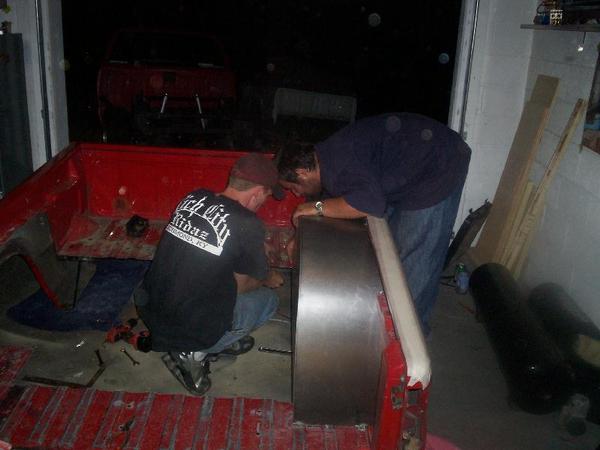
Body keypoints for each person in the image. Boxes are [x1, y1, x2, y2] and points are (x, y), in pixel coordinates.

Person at [277, 113, 471, 335]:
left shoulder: (339, 163)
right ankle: (391, 317)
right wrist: (298, 237)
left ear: (302, 172)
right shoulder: (326, 160)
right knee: (391, 251)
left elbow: (370, 205)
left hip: (438, 166)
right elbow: (331, 203)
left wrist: (317, 206)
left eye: (293, 187)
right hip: (411, 169)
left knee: (415, 259)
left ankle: (409, 337)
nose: (296, 194)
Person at [135, 153, 285, 395]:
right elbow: (241, 287)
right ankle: (194, 352)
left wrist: (254, 249)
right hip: (187, 328)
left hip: (151, 307)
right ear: (257, 192)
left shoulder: (194, 197)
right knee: (268, 301)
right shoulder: (248, 223)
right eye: (266, 197)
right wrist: (267, 278)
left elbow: (213, 242)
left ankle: (212, 340)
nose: (263, 203)